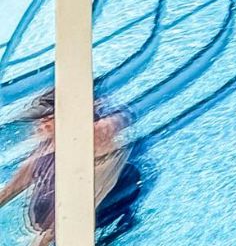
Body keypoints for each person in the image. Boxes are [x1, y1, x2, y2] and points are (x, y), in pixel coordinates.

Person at [0, 93, 144, 241]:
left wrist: (45, 238)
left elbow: (86, 200)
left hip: (105, 208)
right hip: (60, 211)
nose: (40, 125)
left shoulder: (100, 141)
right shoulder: (44, 152)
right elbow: (8, 191)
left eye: (46, 119)